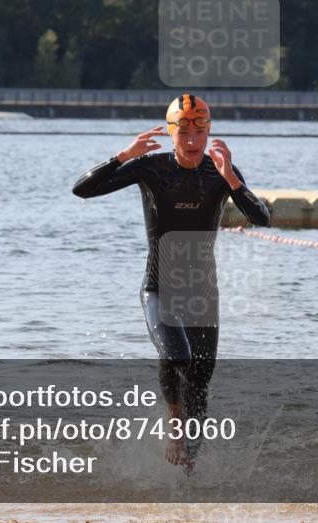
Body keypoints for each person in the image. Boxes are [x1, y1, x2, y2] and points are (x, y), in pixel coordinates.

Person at [72, 94, 270, 470]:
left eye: (200, 129)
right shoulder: (151, 168)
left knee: (199, 382)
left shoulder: (221, 170)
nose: (192, 138)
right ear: (172, 132)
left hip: (202, 294)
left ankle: (190, 475)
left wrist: (231, 180)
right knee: (176, 355)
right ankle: (174, 426)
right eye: (184, 130)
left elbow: (262, 218)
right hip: (159, 285)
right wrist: (123, 156)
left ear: (208, 130)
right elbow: (82, 190)